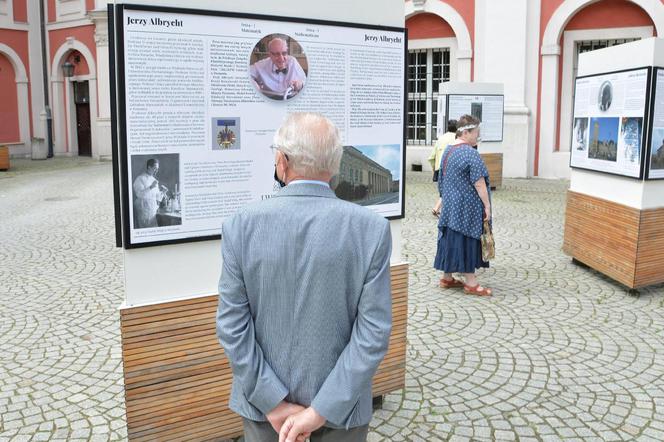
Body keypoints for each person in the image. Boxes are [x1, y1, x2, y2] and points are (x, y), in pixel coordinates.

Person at [216, 112, 392, 442]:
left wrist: (274, 403)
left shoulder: (240, 226)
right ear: (336, 166)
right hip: (343, 412)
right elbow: (372, 333)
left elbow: (231, 325)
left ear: (282, 162)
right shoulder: (371, 230)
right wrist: (320, 410)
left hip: (263, 413)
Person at [433, 114, 493, 296]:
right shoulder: (470, 153)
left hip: (451, 206)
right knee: (466, 239)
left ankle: (447, 278)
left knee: (450, 238)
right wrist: (487, 206)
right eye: (476, 132)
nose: (478, 136)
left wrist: (444, 200)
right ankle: (471, 283)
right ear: (466, 132)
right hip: (467, 207)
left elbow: (441, 179)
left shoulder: (448, 151)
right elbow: (479, 183)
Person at [428, 119, 457, 217]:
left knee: (445, 190)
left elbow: (431, 157)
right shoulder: (457, 139)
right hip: (451, 168)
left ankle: (438, 209)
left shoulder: (440, 139)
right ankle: (437, 209)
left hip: (439, 168)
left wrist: (434, 169)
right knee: (450, 190)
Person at [132, 159, 166, 229]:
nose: (156, 171)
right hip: (143, 211)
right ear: (149, 167)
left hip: (152, 210)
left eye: (157, 169)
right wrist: (150, 187)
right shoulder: (140, 178)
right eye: (155, 168)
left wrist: (163, 192)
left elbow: (157, 197)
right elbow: (139, 194)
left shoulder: (154, 180)